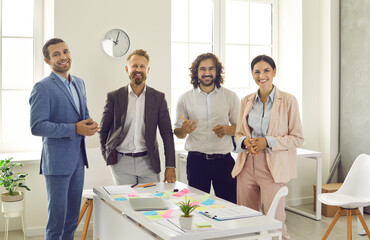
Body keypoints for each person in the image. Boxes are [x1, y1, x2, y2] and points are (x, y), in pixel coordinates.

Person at [29, 38, 98, 240]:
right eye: (56, 54)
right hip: (57, 163)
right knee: (57, 221)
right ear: (47, 60)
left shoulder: (79, 83)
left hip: (78, 160)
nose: (63, 57)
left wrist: (89, 125)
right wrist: (74, 129)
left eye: (65, 51)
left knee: (70, 221)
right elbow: (37, 126)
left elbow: (82, 116)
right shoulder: (42, 87)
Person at [232, 54, 304, 240]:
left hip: (273, 168)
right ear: (252, 74)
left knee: (276, 224)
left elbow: (297, 138)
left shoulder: (288, 101)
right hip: (246, 165)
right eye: (257, 71)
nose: (261, 75)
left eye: (266, 70)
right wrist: (245, 142)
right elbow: (239, 133)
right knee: (246, 222)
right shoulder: (246, 101)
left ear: (274, 72)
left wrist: (268, 141)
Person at [99, 49, 176, 185]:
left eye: (142, 66)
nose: (138, 69)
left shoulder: (158, 98)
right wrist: (107, 156)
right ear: (127, 69)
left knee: (151, 203)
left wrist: (170, 165)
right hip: (121, 162)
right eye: (134, 66)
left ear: (148, 70)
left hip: (148, 162)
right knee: (125, 205)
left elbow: (167, 133)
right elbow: (103, 129)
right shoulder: (114, 97)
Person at [174, 53, 239, 203]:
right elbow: (178, 132)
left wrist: (227, 130)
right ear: (196, 72)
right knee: (197, 206)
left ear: (217, 71)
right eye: (202, 69)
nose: (207, 73)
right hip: (197, 162)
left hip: (224, 161)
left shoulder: (230, 96)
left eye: (211, 68)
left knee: (229, 205)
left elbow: (241, 128)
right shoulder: (185, 98)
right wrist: (185, 130)